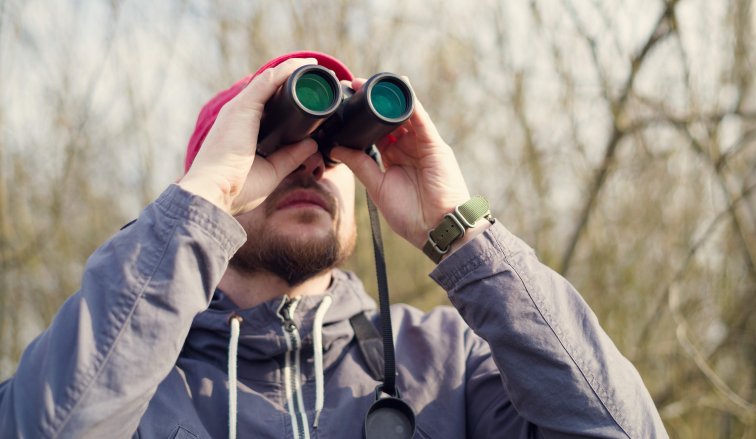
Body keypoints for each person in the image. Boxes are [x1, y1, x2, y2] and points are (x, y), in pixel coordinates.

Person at [0, 51, 667, 438]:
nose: (312, 165)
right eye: (276, 143)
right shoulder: (131, 367)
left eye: (334, 149)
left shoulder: (446, 366)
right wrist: (196, 205)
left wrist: (462, 233)